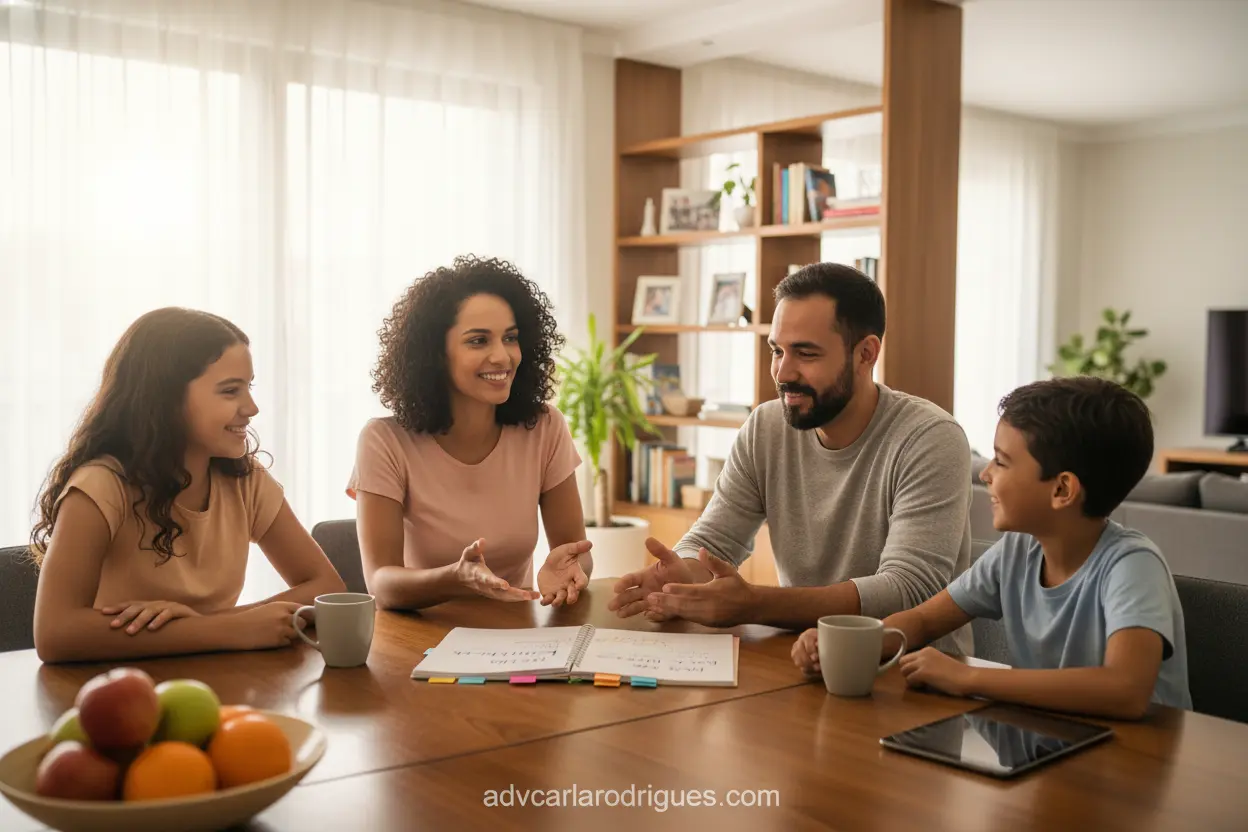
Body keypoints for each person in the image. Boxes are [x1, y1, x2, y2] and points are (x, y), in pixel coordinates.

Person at [610, 263, 973, 654]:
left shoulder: (929, 439)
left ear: (866, 353)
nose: (783, 372)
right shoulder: (765, 427)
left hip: (915, 679)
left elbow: (908, 589)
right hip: (804, 660)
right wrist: (684, 577)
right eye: (777, 351)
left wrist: (756, 604)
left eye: (806, 353)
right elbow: (714, 539)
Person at [792, 377, 1192, 719]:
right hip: (1054, 740)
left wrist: (969, 678)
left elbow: (1125, 691)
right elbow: (922, 622)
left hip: (1137, 767)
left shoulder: (1132, 566)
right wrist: (844, 647)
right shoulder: (1016, 552)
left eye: (1001, 462)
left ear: (1061, 489)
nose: (985, 475)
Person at [31, 308, 346, 663]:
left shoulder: (245, 479)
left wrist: (209, 625)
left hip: (216, 681)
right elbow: (55, 634)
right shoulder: (101, 486)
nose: (252, 407)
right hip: (116, 688)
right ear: (165, 400)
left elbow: (328, 589)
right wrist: (230, 630)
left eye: (249, 387)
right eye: (230, 391)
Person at [350, 255, 592, 611]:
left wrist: (572, 568)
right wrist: (455, 578)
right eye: (478, 341)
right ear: (435, 354)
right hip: (418, 641)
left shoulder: (544, 427)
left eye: (510, 338)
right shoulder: (383, 441)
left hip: (516, 639)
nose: (502, 356)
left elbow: (575, 552)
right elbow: (381, 583)